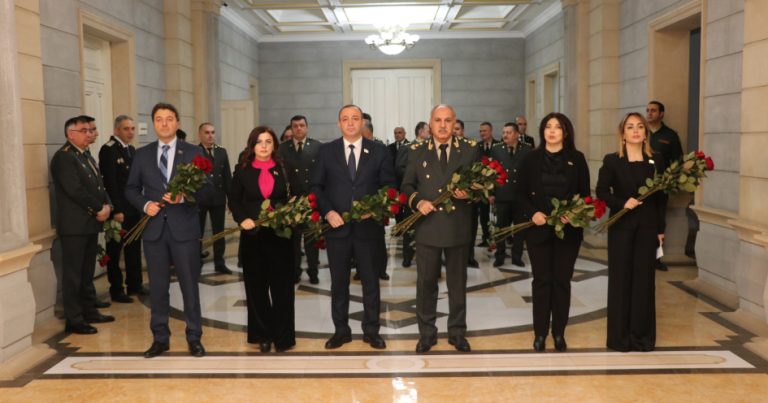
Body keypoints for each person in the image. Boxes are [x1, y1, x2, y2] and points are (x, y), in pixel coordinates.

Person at [125, 102, 212, 358]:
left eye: (169, 118)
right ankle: (160, 337)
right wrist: (145, 204)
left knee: (189, 286)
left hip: (184, 230)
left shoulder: (194, 152)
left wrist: (185, 196)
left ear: (177, 122)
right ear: (153, 123)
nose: (164, 123)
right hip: (154, 232)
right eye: (159, 119)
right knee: (158, 288)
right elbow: (130, 189)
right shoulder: (141, 155)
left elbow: (208, 190)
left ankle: (194, 336)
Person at [310, 104, 395, 350]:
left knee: (370, 282)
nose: (350, 123)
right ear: (339, 123)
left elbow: (388, 186)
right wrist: (328, 212)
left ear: (362, 123)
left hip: (369, 229)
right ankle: (341, 331)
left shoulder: (379, 151)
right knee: (338, 283)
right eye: (345, 119)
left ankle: (371, 331)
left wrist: (376, 208)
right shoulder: (326, 151)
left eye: (355, 118)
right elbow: (316, 186)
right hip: (337, 230)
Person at [402, 104, 480, 353]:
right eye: (438, 120)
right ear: (430, 123)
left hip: (457, 227)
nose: (443, 125)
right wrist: (418, 201)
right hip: (428, 226)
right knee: (426, 284)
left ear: (454, 123)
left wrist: (469, 193)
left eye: (448, 120)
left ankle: (457, 332)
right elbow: (406, 186)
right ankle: (426, 333)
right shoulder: (416, 151)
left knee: (457, 284)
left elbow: (480, 185)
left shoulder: (469, 149)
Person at [517, 112, 590, 353]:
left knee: (561, 282)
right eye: (548, 126)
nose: (552, 131)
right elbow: (520, 195)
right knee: (541, 282)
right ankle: (540, 333)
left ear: (565, 132)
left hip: (567, 232)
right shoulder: (530, 159)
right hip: (538, 230)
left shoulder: (577, 159)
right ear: (542, 131)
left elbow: (585, 195)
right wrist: (532, 214)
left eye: (557, 127)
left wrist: (574, 212)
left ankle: (559, 332)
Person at [597, 112, 667, 352]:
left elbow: (660, 198)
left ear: (645, 133)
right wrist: (621, 202)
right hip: (622, 229)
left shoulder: (657, 160)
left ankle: (642, 337)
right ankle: (620, 338)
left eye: (640, 127)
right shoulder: (612, 160)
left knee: (644, 282)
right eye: (630, 127)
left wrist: (660, 229)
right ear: (623, 133)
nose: (635, 130)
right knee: (621, 281)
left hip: (647, 230)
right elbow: (601, 191)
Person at [229, 126, 295, 353]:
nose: (264, 146)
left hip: (281, 236)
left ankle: (283, 337)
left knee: (283, 288)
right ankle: (262, 335)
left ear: (274, 145)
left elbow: (296, 196)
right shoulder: (242, 170)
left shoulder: (285, 169)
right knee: (256, 288)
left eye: (268, 141)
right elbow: (234, 200)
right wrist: (242, 219)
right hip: (253, 236)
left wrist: (291, 214)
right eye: (259, 142)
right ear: (252, 145)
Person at [51, 115, 115, 334]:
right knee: (73, 274)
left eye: (91, 130)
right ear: (71, 134)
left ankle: (89, 311)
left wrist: (107, 205)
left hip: (89, 224)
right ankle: (74, 319)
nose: (90, 134)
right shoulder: (64, 157)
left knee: (87, 272)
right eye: (84, 130)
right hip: (74, 226)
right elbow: (75, 190)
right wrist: (98, 209)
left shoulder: (85, 155)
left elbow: (98, 185)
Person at [98, 115, 144, 303]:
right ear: (117, 130)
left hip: (133, 208)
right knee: (115, 251)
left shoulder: (131, 150)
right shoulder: (108, 150)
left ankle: (135, 284)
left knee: (134, 247)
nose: (130, 132)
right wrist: (116, 208)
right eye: (126, 129)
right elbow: (110, 183)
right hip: (118, 210)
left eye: (132, 128)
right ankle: (116, 289)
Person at [279, 115, 321, 284]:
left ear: (307, 127)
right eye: (295, 126)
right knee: (293, 241)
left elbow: (322, 173)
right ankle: (295, 271)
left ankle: (313, 272)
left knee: (312, 239)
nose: (298, 128)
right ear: (291, 128)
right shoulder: (282, 148)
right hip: (292, 201)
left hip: (311, 200)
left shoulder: (317, 147)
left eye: (302, 125)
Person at [645, 100, 683, 271]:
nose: (649, 113)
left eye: (653, 110)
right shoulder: (641, 132)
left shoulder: (670, 136)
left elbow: (678, 161)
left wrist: (671, 181)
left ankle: (656, 258)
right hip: (640, 187)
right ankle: (641, 256)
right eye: (648, 110)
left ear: (661, 114)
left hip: (661, 187)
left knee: (659, 222)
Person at [490, 122, 531, 267]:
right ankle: (499, 256)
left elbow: (530, 174)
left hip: (520, 197)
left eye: (508, 132)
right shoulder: (496, 149)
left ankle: (517, 257)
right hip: (502, 195)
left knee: (519, 230)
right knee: (501, 228)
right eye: (503, 132)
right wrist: (491, 193)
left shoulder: (527, 150)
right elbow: (491, 173)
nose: (505, 135)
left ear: (517, 134)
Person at [197, 122, 233, 274]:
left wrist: (230, 200)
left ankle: (220, 262)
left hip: (218, 198)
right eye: (207, 132)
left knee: (219, 232)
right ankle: (196, 262)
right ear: (200, 135)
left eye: (212, 132)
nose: (210, 135)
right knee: (197, 233)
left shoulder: (221, 152)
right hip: (200, 198)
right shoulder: (194, 151)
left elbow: (227, 177)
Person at [395, 121, 431, 268]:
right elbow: (399, 168)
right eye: (428, 130)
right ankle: (407, 257)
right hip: (412, 194)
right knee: (409, 226)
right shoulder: (407, 148)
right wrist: (415, 178)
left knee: (428, 227)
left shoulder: (431, 148)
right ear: (421, 132)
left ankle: (426, 257)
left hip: (428, 195)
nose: (430, 133)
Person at [473, 122, 499, 248]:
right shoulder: (477, 147)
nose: (482, 133)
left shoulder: (499, 145)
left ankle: (498, 240)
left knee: (497, 217)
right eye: (481, 131)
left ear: (491, 131)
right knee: (483, 215)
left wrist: (494, 192)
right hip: (481, 188)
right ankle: (485, 238)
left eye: (485, 131)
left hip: (496, 187)